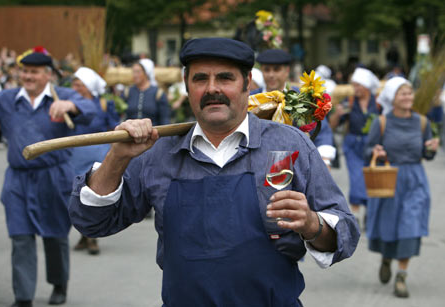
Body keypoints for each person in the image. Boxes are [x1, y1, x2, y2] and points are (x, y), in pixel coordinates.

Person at [68, 37, 359, 306]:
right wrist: (116, 158)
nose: (212, 89)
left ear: (247, 83)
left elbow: (345, 232)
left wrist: (312, 224)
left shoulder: (290, 143)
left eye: (225, 78)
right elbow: (93, 223)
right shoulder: (159, 153)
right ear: (186, 85)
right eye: (200, 79)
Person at [0, 50, 96, 307]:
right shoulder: (6, 99)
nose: (27, 76)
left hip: (54, 177)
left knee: (55, 235)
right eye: (24, 71)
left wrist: (71, 106)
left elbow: (91, 109)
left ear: (48, 75)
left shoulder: (63, 96)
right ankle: (23, 296)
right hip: (18, 178)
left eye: (34, 72)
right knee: (21, 237)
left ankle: (59, 283)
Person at [364, 77, 439, 298]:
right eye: (402, 93)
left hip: (415, 181)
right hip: (389, 180)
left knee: (410, 227)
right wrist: (376, 153)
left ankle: (401, 276)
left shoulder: (422, 122)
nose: (408, 97)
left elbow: (427, 154)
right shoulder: (382, 122)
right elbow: (367, 151)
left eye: (409, 93)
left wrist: (431, 149)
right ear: (392, 98)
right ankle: (387, 258)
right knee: (390, 227)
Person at [252, 49, 336, 168]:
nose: (271, 75)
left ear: (286, 71)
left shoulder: (301, 98)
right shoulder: (252, 99)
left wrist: (325, 159)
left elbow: (322, 132)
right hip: (258, 164)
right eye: (267, 69)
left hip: (297, 165)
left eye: (276, 70)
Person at [69, 67, 120, 255]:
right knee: (77, 193)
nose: (76, 88)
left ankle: (93, 238)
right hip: (76, 153)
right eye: (74, 84)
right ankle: (84, 234)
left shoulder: (105, 104)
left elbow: (114, 126)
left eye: (80, 84)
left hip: (98, 151)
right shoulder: (72, 105)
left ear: (89, 86)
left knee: (94, 192)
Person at [329, 67, 380, 225]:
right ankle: (356, 212)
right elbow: (333, 126)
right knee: (356, 177)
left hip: (373, 145)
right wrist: (337, 114)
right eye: (354, 85)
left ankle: (369, 211)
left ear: (366, 86)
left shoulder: (378, 104)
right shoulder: (349, 102)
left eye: (359, 85)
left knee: (371, 178)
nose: (355, 89)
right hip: (353, 144)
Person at [124, 58, 171, 124]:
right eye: (133, 72)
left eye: (138, 72)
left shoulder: (158, 93)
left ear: (146, 73)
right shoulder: (128, 92)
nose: (135, 75)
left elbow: (165, 120)